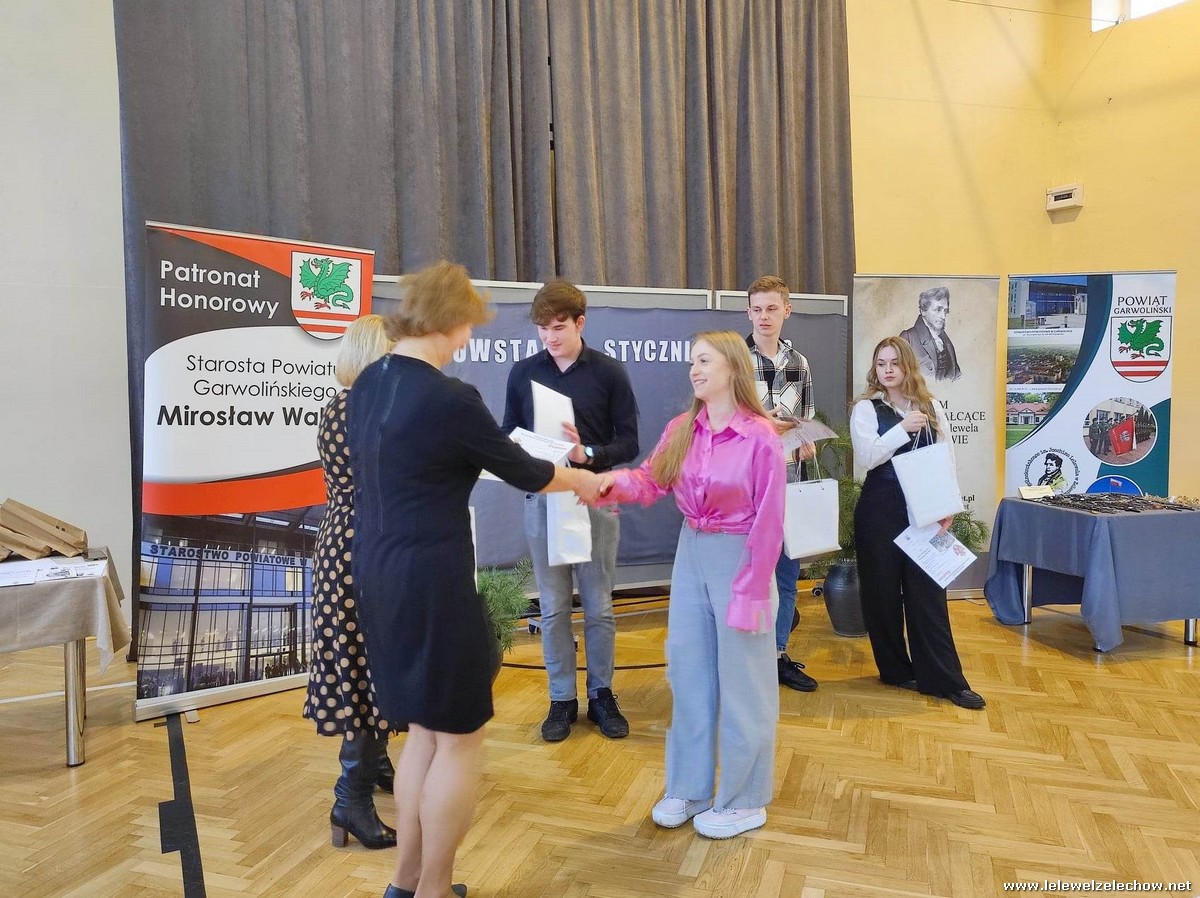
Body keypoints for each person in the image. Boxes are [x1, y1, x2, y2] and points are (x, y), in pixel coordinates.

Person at [348, 262, 604, 898]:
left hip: (377, 572)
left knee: (423, 731)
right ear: (450, 320)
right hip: (433, 580)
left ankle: (406, 884)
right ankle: (435, 888)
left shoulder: (369, 382)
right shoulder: (450, 398)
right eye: (467, 325)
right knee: (460, 737)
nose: (467, 339)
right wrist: (581, 478)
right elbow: (524, 469)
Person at [593, 331, 786, 840]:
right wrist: (606, 483)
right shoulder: (682, 429)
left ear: (732, 368)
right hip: (691, 552)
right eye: (692, 362)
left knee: (746, 683)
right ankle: (690, 787)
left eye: (704, 360)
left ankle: (745, 800)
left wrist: (751, 589)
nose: (694, 370)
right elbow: (649, 480)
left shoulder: (760, 437)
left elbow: (769, 521)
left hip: (742, 557)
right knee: (689, 673)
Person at [502, 280, 639, 742]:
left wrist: (588, 453)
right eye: (542, 329)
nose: (549, 337)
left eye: (558, 327)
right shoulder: (523, 373)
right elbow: (507, 433)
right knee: (553, 607)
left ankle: (602, 694)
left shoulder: (609, 372)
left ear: (580, 322)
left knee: (599, 606)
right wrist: (523, 450)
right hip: (544, 499)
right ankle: (561, 698)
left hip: (595, 497)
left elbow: (629, 442)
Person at [303, 313, 398, 851]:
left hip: (344, 541)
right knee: (367, 666)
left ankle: (376, 764)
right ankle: (350, 798)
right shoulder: (369, 412)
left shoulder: (339, 406)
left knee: (363, 659)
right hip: (365, 548)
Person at [850, 336, 984, 710]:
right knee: (881, 594)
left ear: (908, 365)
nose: (888, 370)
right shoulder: (866, 409)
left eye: (895, 362)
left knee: (929, 595)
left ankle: (946, 680)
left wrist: (948, 503)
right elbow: (867, 458)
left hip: (924, 509)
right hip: (880, 509)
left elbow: (947, 456)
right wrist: (901, 429)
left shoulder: (931, 406)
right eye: (881, 364)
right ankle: (895, 670)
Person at [745, 275, 819, 692]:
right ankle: (749, 659)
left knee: (787, 575)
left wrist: (807, 441)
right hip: (749, 487)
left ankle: (777, 655)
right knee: (752, 574)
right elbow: (726, 424)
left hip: (791, 482)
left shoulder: (800, 363)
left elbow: (806, 418)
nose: (764, 316)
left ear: (786, 311)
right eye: (757, 309)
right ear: (748, 312)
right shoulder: (735, 360)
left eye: (772, 308)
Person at [899, 286, 961, 382]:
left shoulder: (946, 342)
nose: (943, 316)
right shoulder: (908, 338)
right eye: (938, 310)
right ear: (923, 311)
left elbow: (957, 377)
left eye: (945, 311)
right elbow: (900, 379)